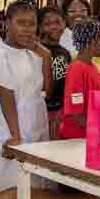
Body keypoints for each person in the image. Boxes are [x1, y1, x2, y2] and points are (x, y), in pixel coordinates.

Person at [0, 0, 52, 194]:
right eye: (21, 23)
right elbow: (6, 95)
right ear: (7, 24)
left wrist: (44, 54)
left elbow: (47, 90)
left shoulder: (34, 54)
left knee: (37, 195)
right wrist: (15, 136)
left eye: (32, 23)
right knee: (13, 196)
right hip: (13, 133)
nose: (27, 28)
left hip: (38, 132)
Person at [59, 19, 100, 139]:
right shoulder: (77, 68)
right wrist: (95, 131)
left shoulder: (91, 66)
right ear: (94, 41)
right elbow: (76, 111)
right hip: (78, 136)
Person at [38, 7, 72, 139]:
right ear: (40, 27)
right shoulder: (37, 51)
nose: (53, 27)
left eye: (57, 22)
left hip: (61, 113)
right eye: (47, 24)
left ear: (64, 23)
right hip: (43, 113)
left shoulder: (65, 52)